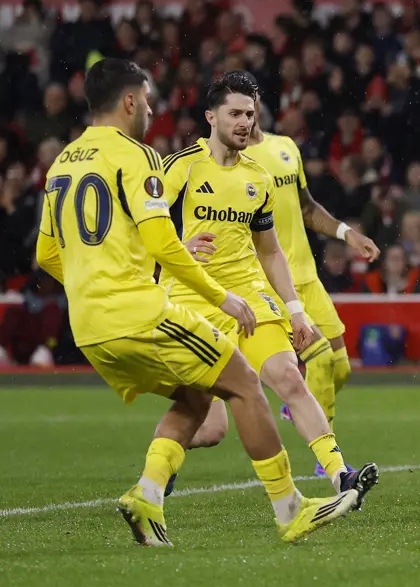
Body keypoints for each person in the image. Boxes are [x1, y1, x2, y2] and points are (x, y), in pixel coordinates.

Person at [35, 59, 360, 546]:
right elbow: (163, 243)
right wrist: (218, 296)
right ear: (129, 101)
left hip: (88, 325)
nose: (151, 110)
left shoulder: (62, 162)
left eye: (250, 113)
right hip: (152, 308)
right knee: (245, 385)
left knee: (199, 399)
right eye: (147, 100)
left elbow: (47, 254)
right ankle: (290, 509)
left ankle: (149, 493)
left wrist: (93, 288)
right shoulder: (146, 158)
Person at [158, 71, 379, 505]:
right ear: (211, 117)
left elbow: (271, 249)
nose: (244, 122)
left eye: (249, 113)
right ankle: (159, 467)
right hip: (195, 298)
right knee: (210, 426)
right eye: (234, 114)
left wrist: (295, 310)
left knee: (291, 378)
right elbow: (141, 224)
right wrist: (178, 247)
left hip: (251, 295)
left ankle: (340, 475)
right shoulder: (182, 167)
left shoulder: (259, 175)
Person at [239, 76, 380, 476]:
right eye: (237, 109)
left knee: (341, 368)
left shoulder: (286, 147)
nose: (246, 115)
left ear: (258, 104)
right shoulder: (232, 163)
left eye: (250, 105)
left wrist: (347, 233)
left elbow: (306, 207)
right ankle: (328, 460)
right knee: (319, 359)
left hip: (307, 276)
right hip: (271, 282)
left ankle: (297, 403)